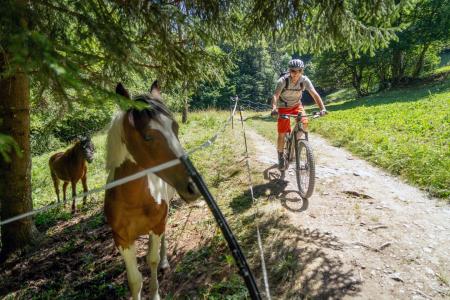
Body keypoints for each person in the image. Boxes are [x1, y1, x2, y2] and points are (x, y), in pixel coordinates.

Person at [271, 58, 327, 169]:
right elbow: (275, 95)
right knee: (282, 133)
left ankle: (294, 144)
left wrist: (323, 109)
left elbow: (314, 94)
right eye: (293, 71)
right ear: (289, 70)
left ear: (302, 71)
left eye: (299, 71)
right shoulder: (282, 81)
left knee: (305, 123)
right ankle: (281, 155)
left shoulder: (305, 80)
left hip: (297, 106)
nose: (296, 73)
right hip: (283, 107)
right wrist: (274, 108)